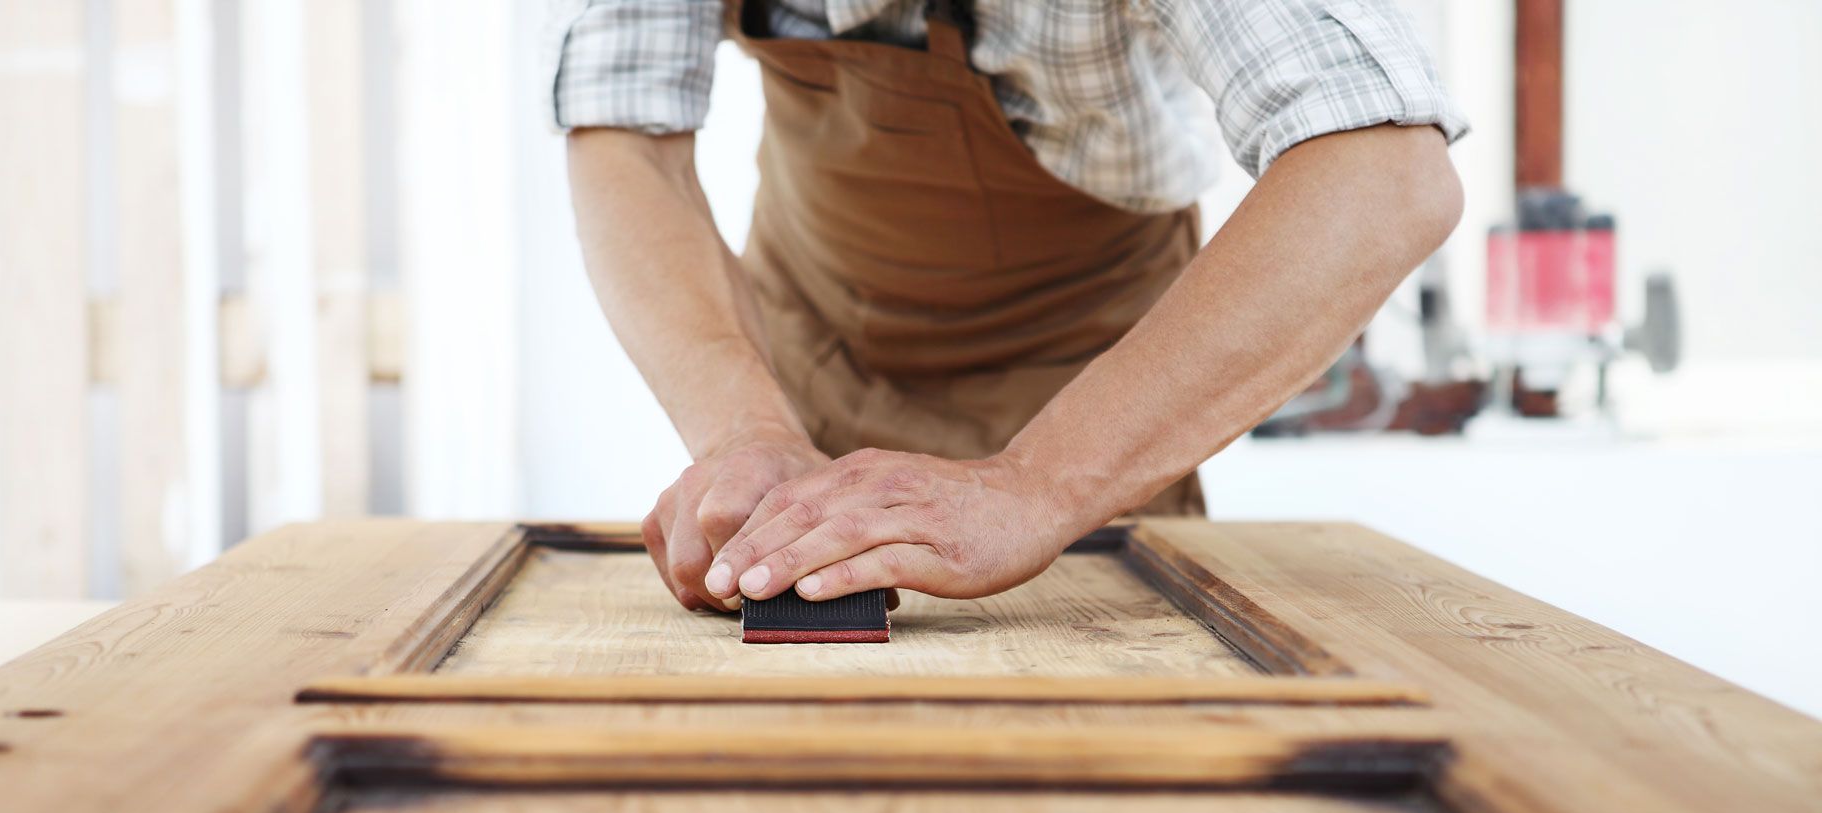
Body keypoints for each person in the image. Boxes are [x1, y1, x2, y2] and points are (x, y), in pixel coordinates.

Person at [552, 0, 1466, 609]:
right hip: (807, 344)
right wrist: (740, 430)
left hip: (1090, 368)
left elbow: (1386, 170)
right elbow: (627, 134)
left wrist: (1038, 484)